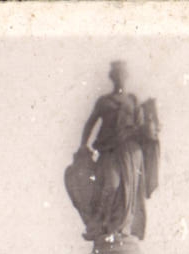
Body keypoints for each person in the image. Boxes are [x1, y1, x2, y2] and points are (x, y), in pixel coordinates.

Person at [69, 61, 160, 241]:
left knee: (128, 192)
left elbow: (142, 127)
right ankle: (102, 223)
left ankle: (122, 228)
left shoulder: (133, 101)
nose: (120, 78)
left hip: (129, 151)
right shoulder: (104, 102)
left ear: (126, 77)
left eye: (123, 75)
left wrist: (150, 127)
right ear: (113, 77)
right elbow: (90, 123)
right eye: (117, 75)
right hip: (109, 150)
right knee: (111, 183)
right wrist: (83, 145)